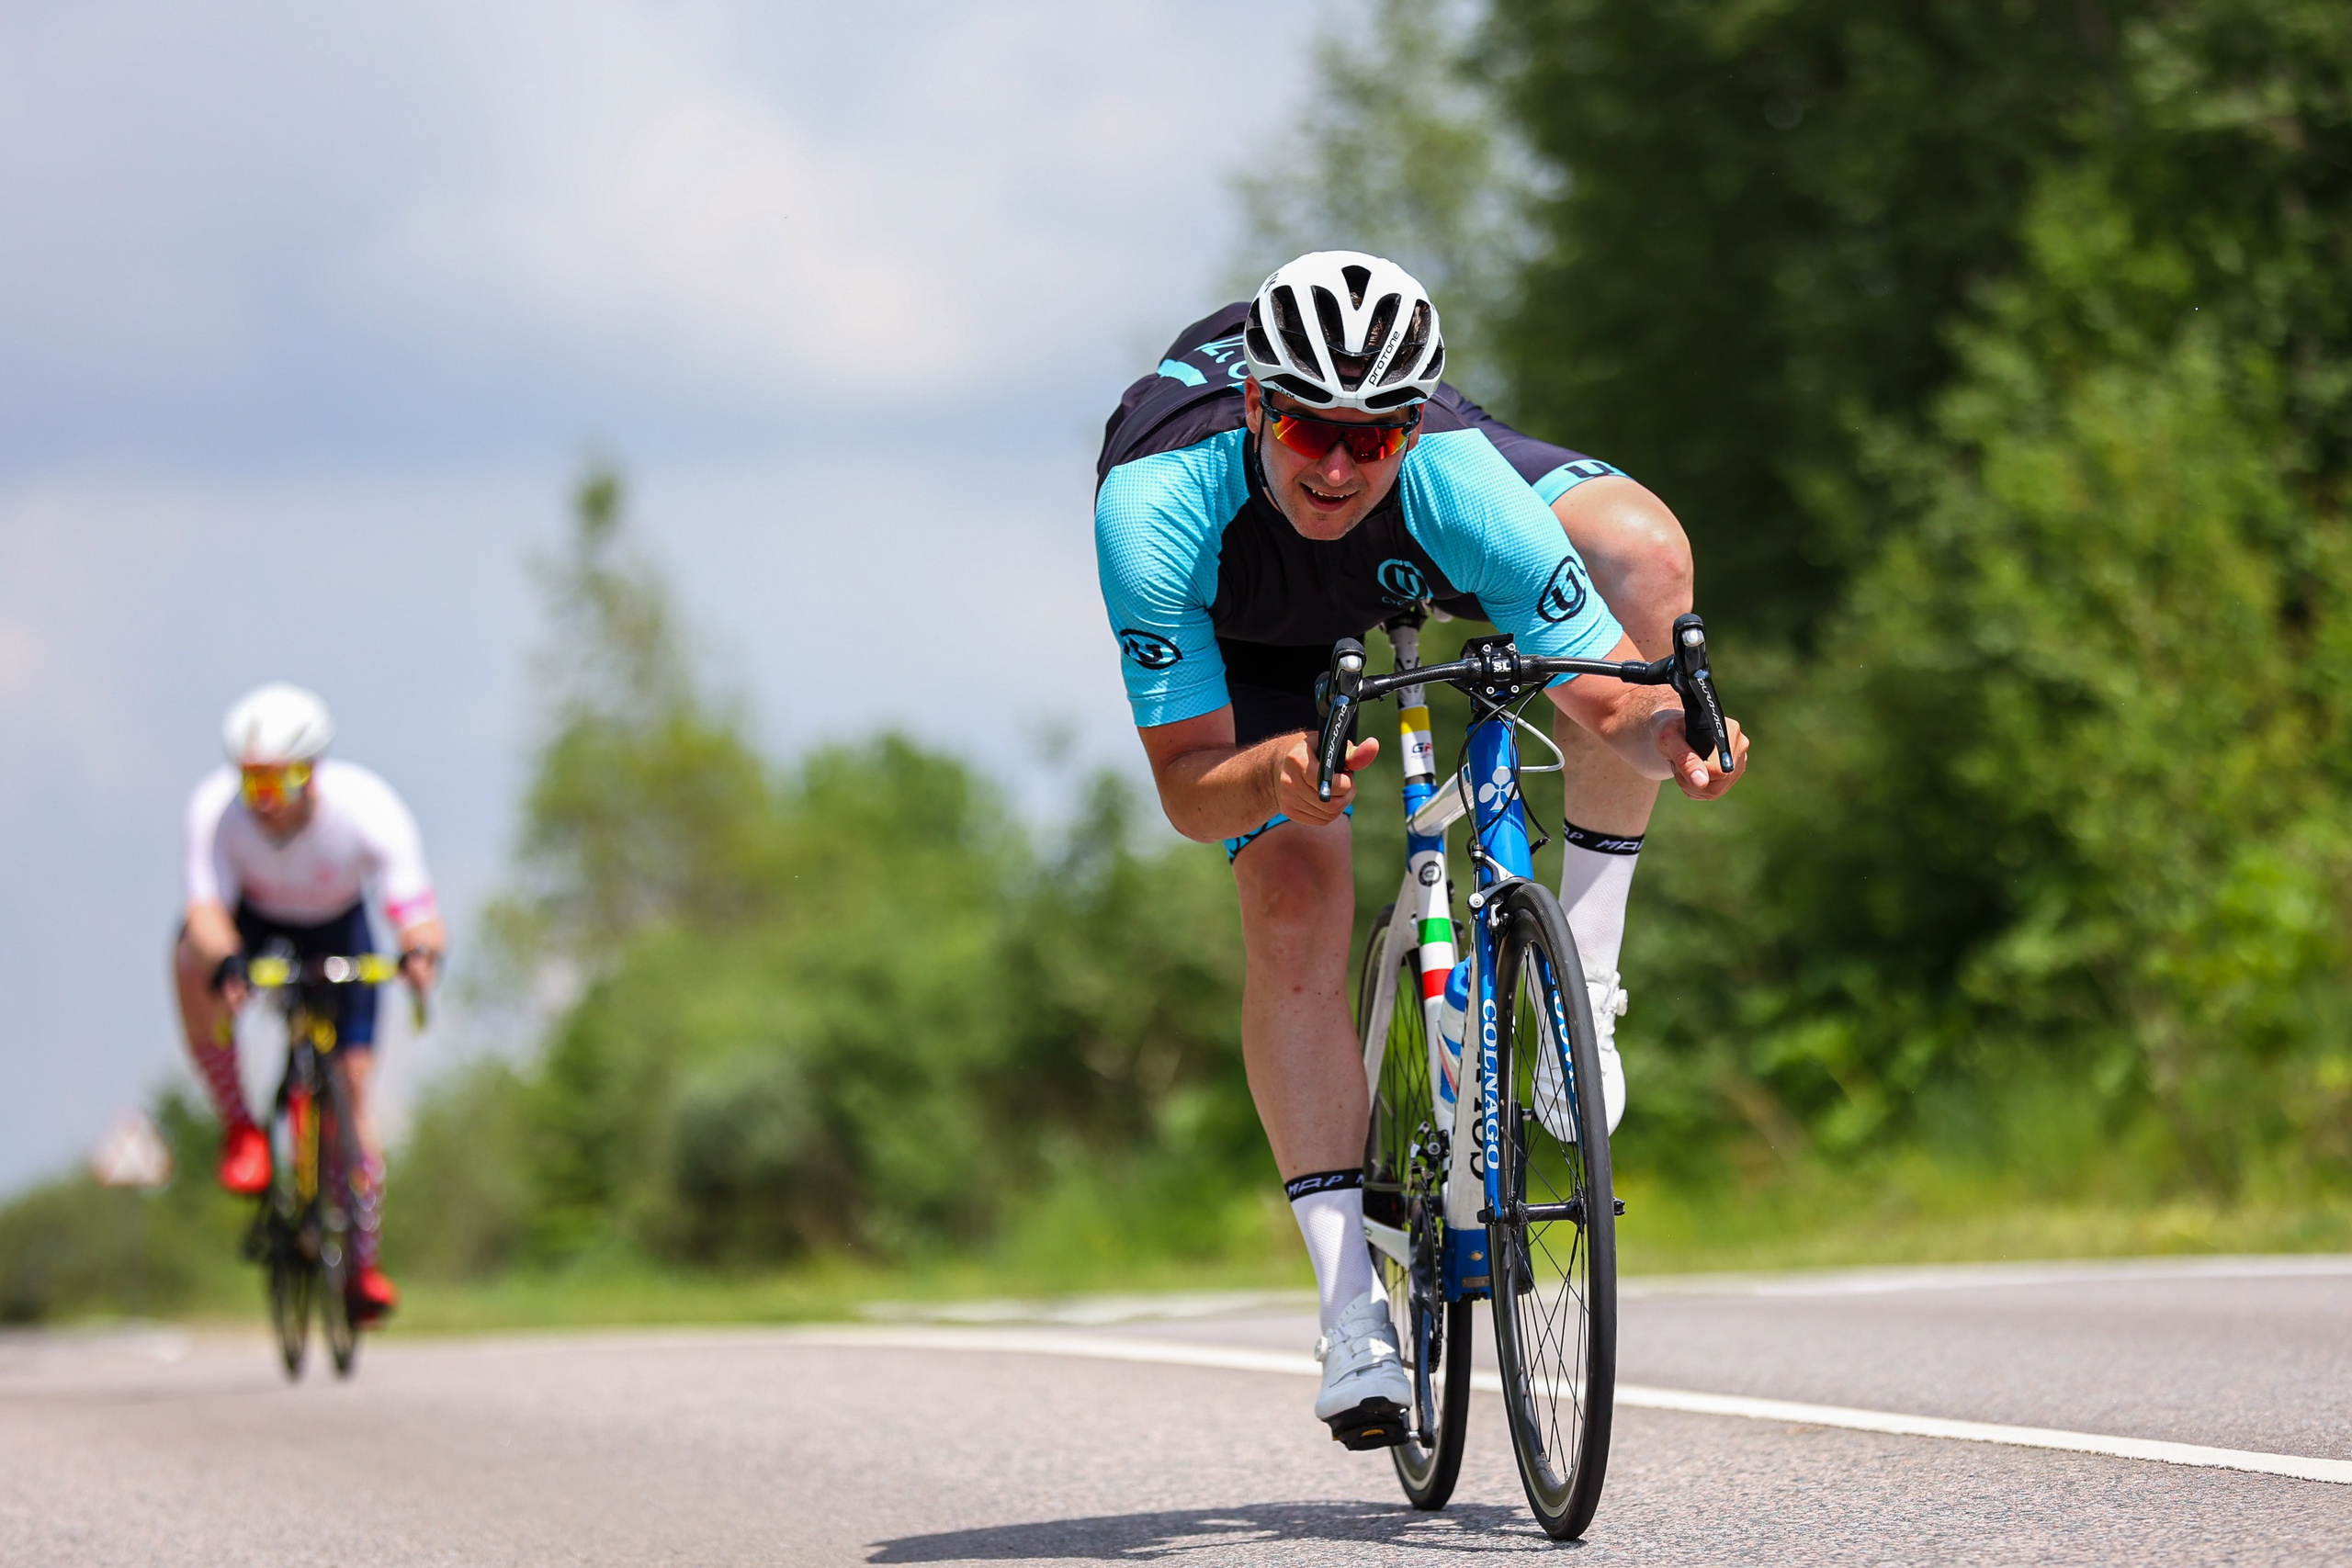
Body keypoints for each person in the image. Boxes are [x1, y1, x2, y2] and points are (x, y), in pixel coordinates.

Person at [1094, 251, 1749, 1446]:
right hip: (1254, 627)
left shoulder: (1444, 472)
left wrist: (1670, 730)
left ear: (1417, 423)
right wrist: (1280, 775)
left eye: (1373, 434)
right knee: (1292, 888)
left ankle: (1582, 984)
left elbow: (1598, 690)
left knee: (1642, 560)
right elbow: (1189, 789)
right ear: (1256, 404)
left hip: (1411, 552)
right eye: (1307, 427)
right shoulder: (1156, 508)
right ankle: (1353, 1315)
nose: (1337, 462)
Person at [171, 682, 443, 1325]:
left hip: (339, 926)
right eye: (251, 782)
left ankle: (363, 1266)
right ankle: (241, 1125)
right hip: (254, 921)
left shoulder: (368, 807)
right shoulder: (216, 810)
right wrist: (228, 961)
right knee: (187, 956)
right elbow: (205, 908)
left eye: (280, 781)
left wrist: (421, 953)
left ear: (313, 772)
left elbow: (416, 909)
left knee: (351, 1087)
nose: (263, 801)